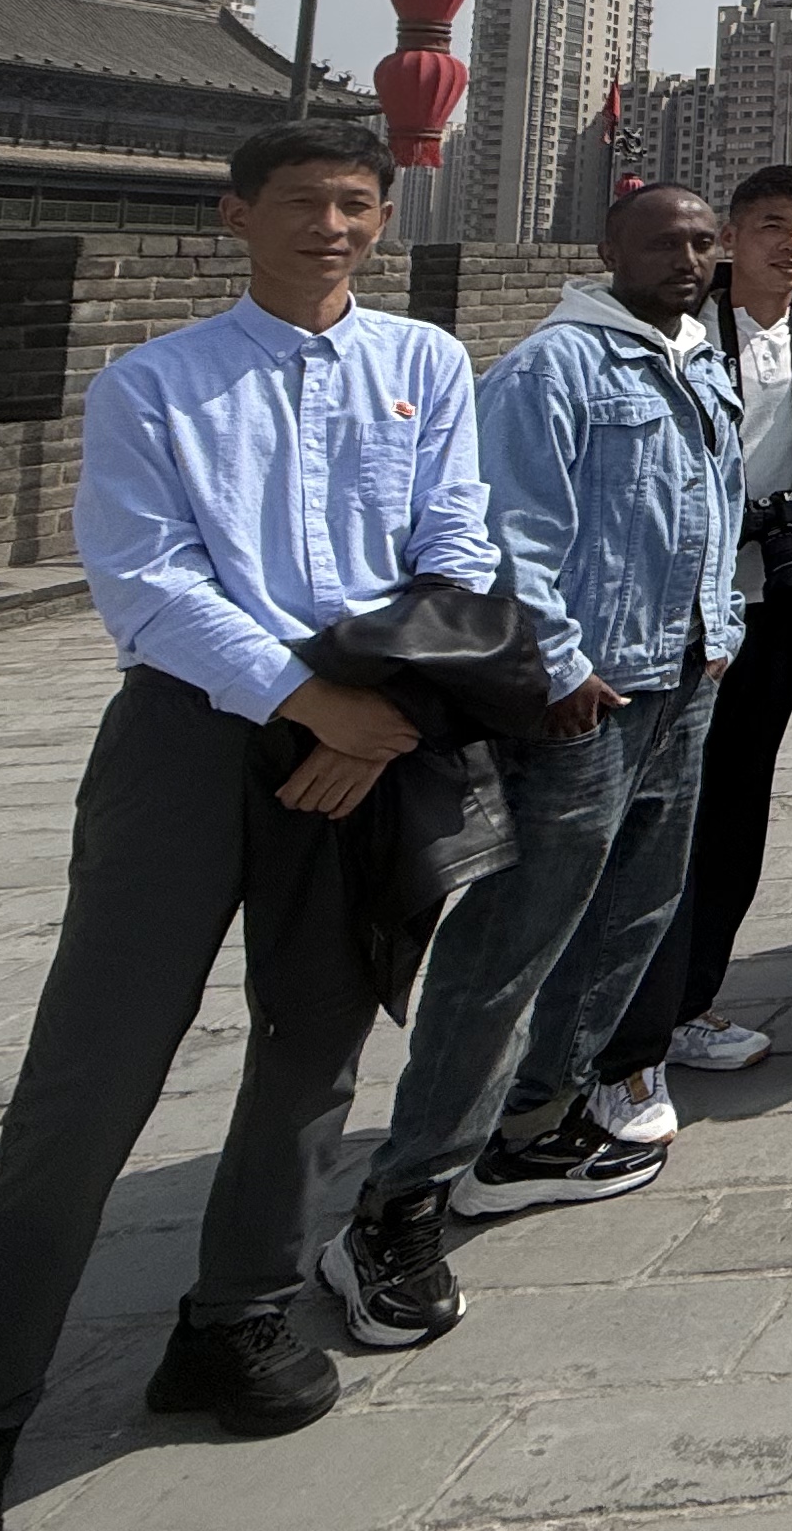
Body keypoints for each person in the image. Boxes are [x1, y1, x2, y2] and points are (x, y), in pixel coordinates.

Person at [0, 124, 493, 1531]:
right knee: (87, 1081)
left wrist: (374, 710)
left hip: (371, 728)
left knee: (313, 1045)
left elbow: (456, 545)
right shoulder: (155, 383)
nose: (332, 227)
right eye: (304, 203)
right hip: (192, 737)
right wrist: (305, 703)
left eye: (357, 204)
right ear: (236, 217)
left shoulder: (425, 364)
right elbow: (148, 582)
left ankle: (237, 1315)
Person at [324, 182, 745, 1351]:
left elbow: (710, 510)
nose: (687, 259)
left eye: (701, 243)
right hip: (583, 698)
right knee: (516, 939)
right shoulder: (555, 368)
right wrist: (558, 665)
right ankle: (400, 1201)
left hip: (680, 678)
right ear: (607, 248)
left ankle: (530, 1128)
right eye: (662, 241)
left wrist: (719, 633)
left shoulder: (693, 360)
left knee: (631, 913)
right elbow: (508, 536)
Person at [585, 161, 792, 1136]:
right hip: (668, 615)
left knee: (736, 807)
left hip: (772, 603)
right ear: (732, 236)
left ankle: (689, 1002)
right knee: (651, 828)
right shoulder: (672, 334)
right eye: (772, 225)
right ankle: (616, 1045)